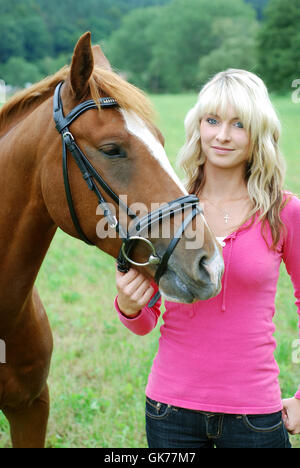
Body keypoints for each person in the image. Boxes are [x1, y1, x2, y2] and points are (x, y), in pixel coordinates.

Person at [114, 69, 300, 448]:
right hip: (170, 411)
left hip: (255, 414)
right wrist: (129, 306)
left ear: (259, 132)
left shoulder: (285, 212)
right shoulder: (165, 212)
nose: (222, 135)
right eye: (212, 120)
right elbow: (144, 320)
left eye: (238, 124)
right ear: (198, 125)